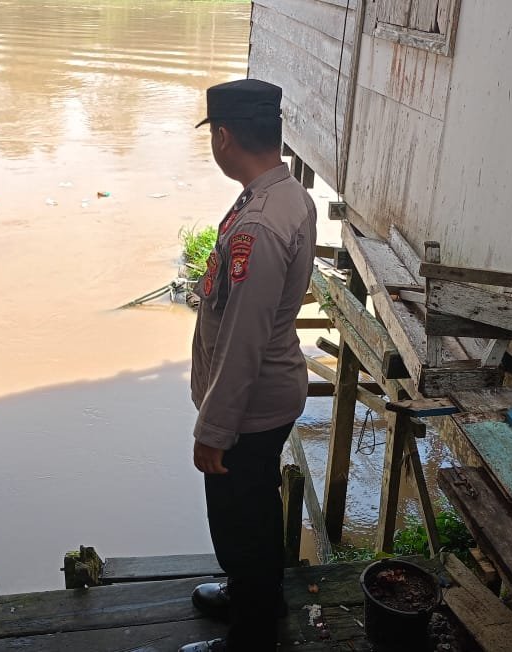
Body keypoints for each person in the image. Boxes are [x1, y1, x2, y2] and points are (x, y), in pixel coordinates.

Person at [180, 79, 317, 652]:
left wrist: (214, 430)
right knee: (255, 507)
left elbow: (243, 340)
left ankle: (251, 635)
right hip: (267, 394)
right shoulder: (286, 194)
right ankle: (253, 595)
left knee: (239, 524)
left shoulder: (259, 224)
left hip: (250, 405)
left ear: (224, 135)